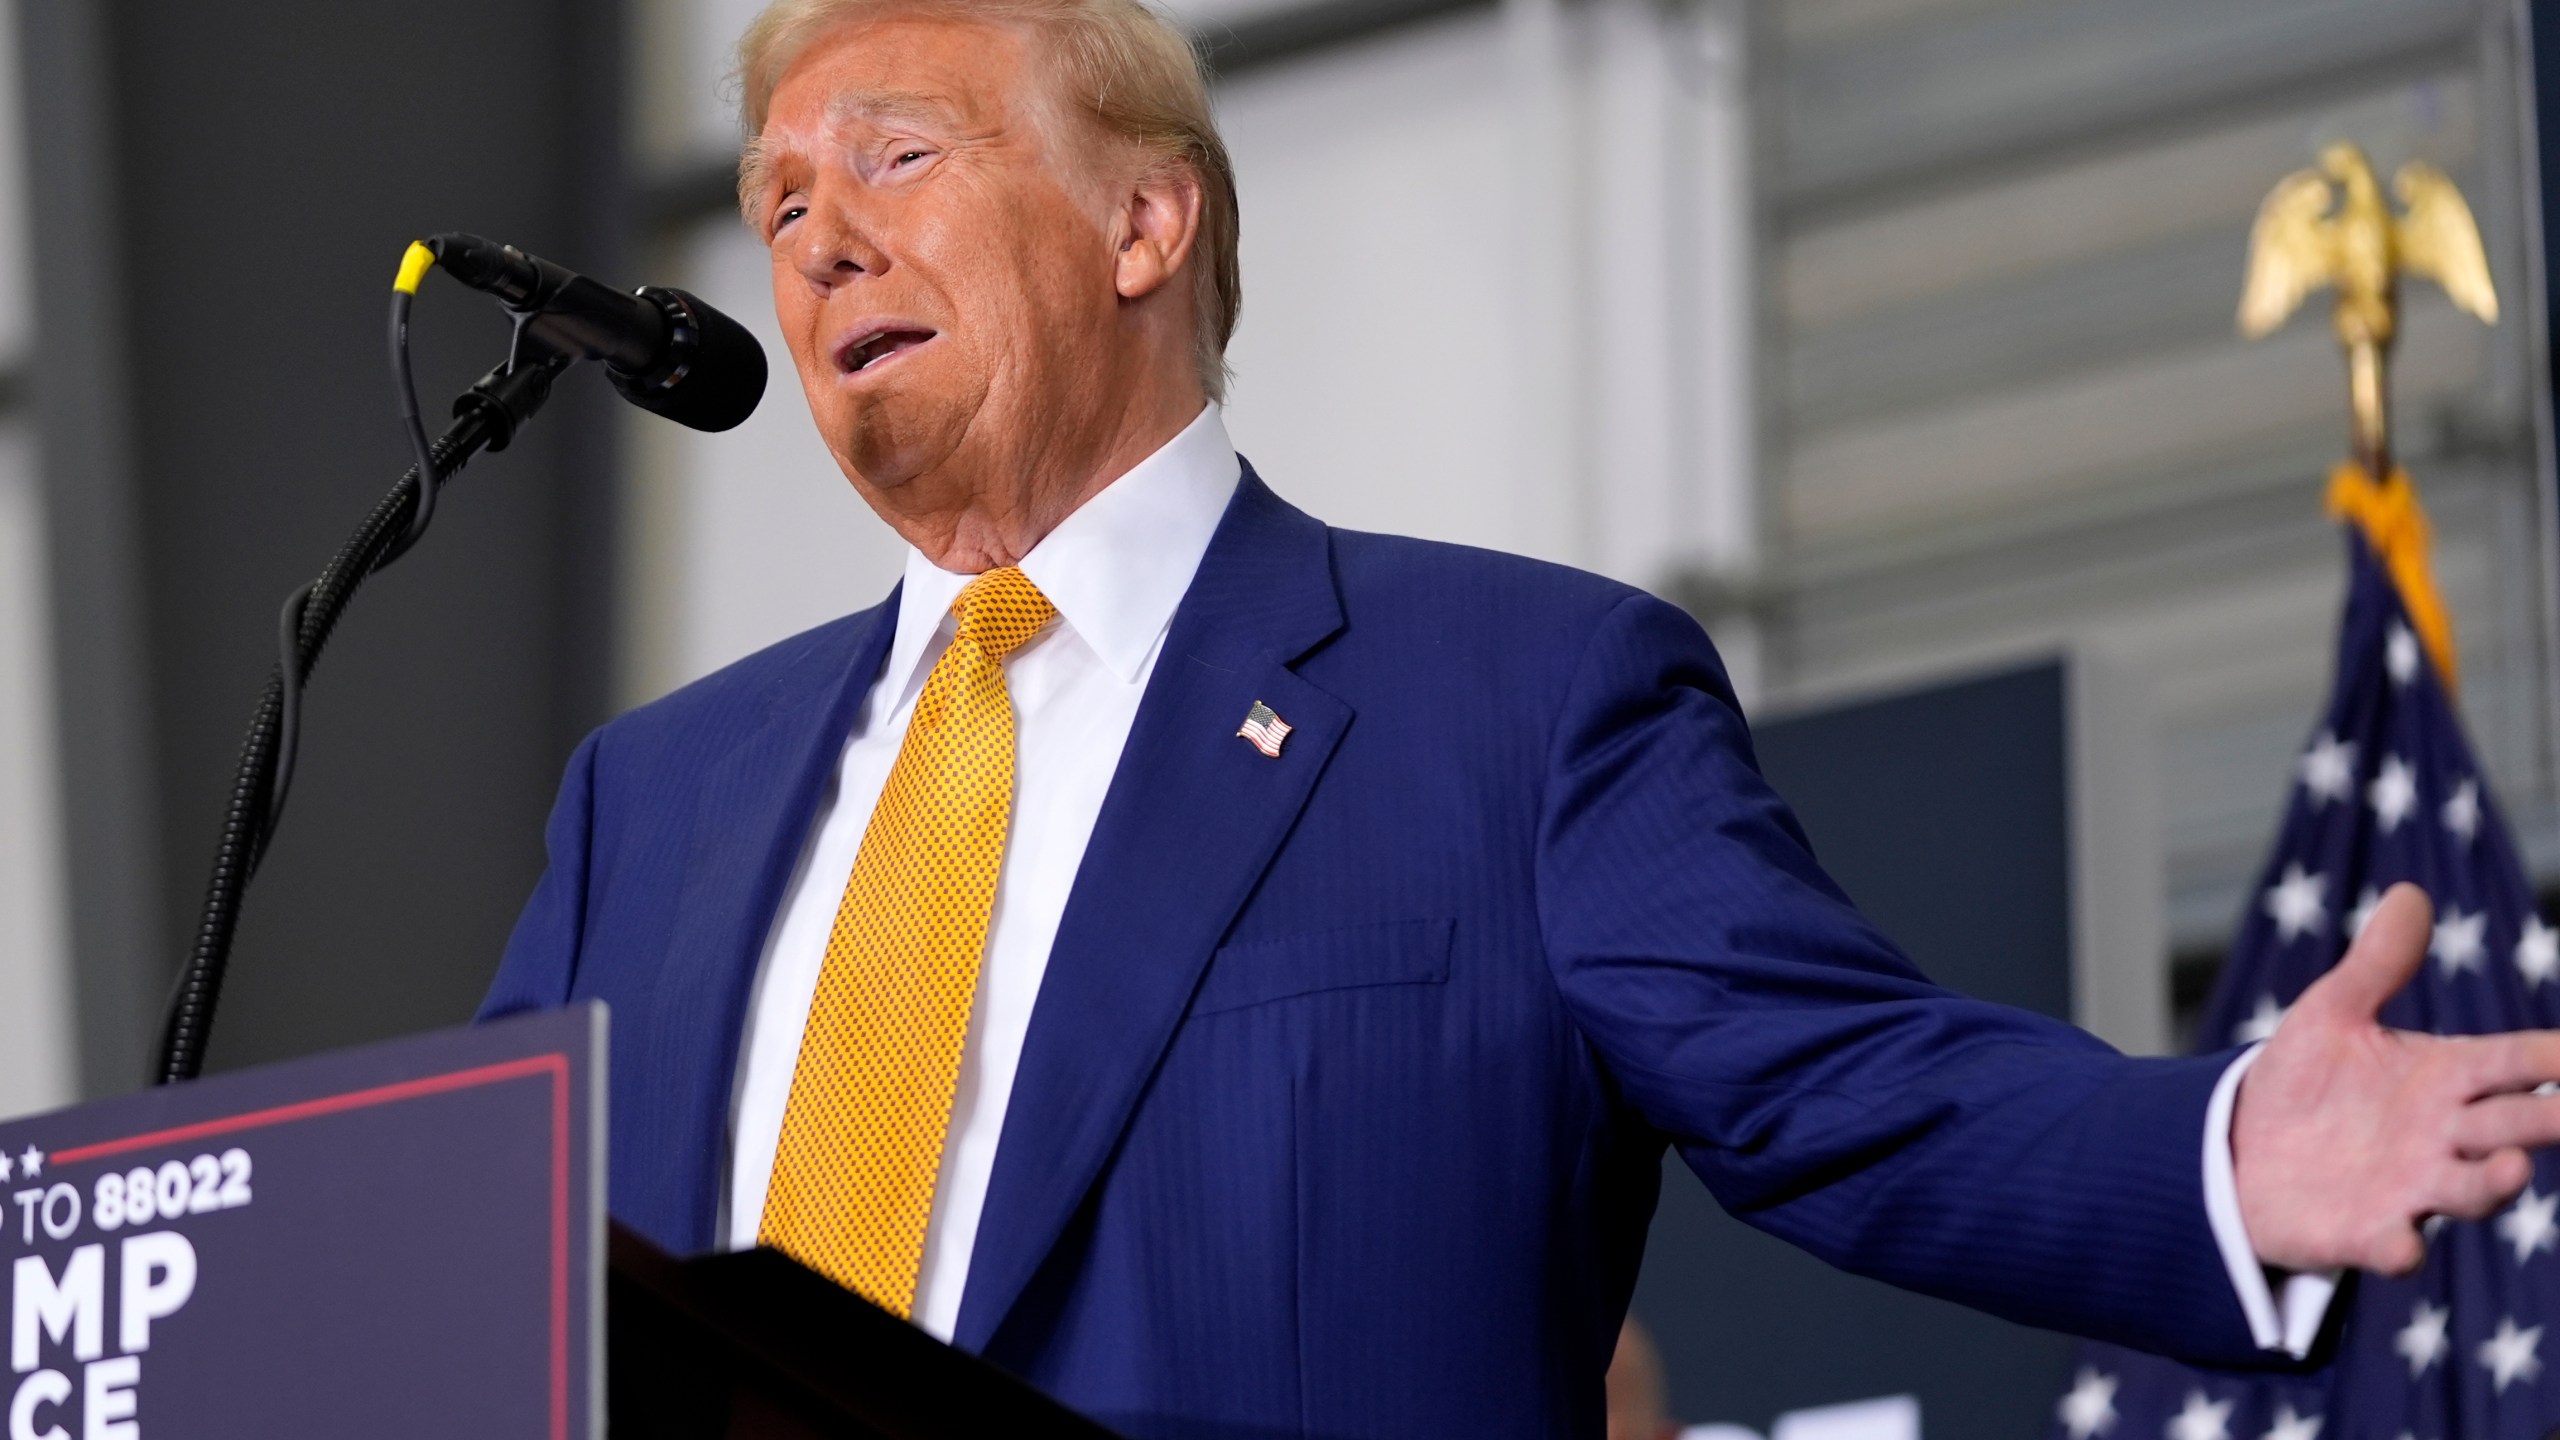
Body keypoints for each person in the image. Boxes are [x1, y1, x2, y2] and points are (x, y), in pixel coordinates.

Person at [477, 1, 2560, 1434]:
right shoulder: (643, 805)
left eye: (898, 156)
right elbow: (465, 1303)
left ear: (1143, 219)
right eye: (772, 204)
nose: (816, 234)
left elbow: (1857, 1094)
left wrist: (2214, 1155)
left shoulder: (1519, 705)